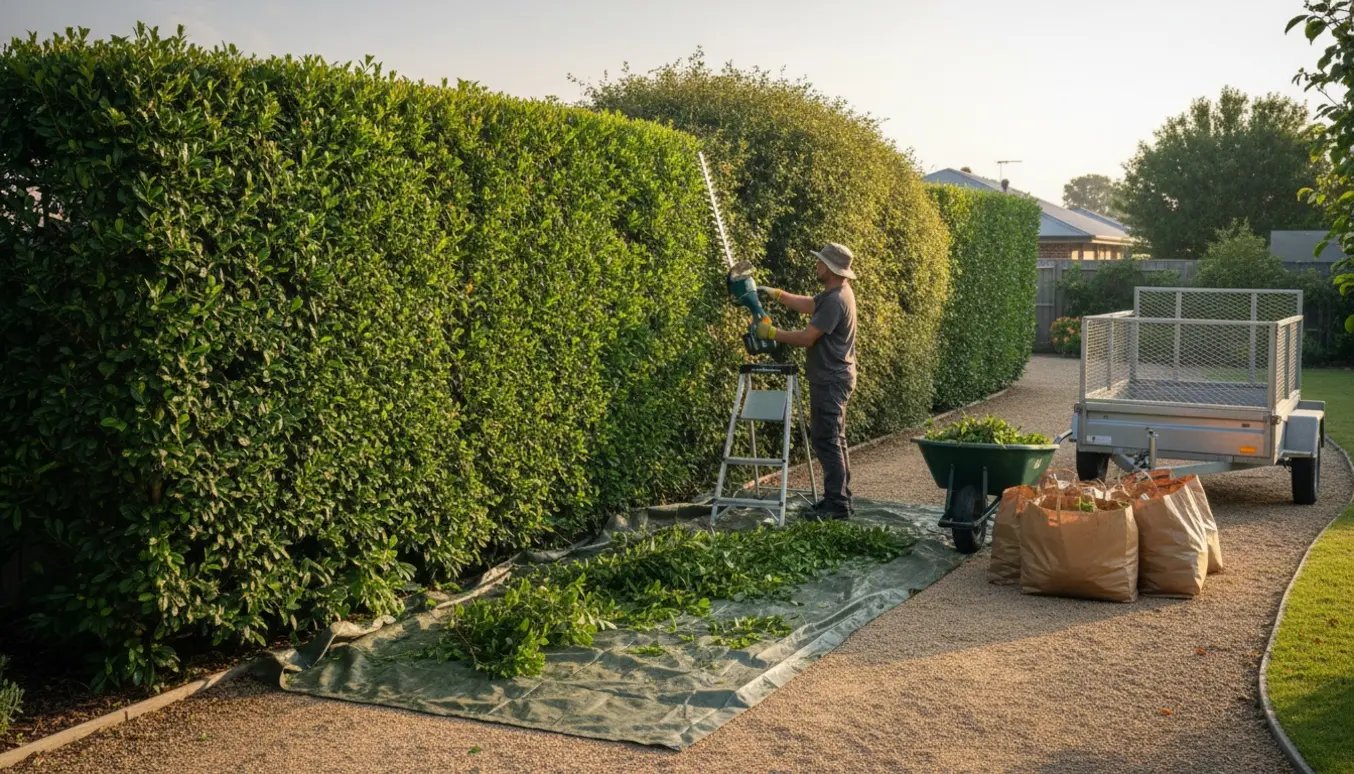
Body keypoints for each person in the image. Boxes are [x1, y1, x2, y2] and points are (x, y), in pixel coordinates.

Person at [754, 243, 858, 519]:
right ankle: (841, 497)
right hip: (833, 376)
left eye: (821, 262)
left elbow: (807, 337)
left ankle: (836, 504)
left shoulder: (837, 300)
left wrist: (772, 333)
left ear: (832, 269)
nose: (817, 265)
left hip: (831, 379)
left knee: (827, 440)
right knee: (836, 438)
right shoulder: (834, 293)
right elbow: (810, 305)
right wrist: (778, 295)